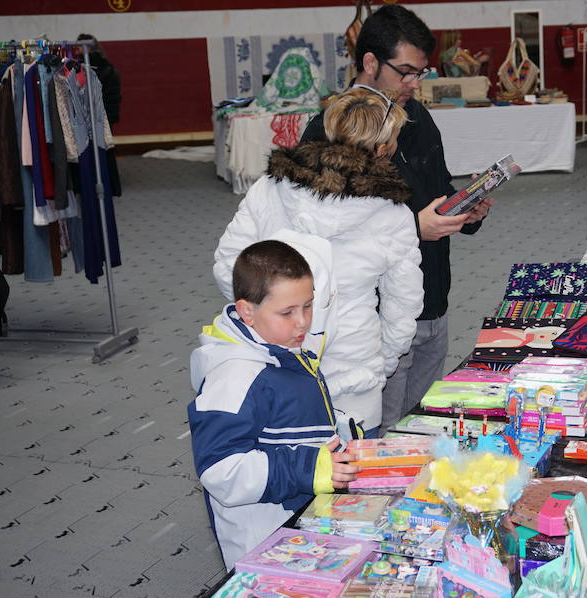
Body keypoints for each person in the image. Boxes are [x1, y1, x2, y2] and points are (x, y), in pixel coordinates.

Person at [300, 4, 492, 434]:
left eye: (420, 73)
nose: (413, 84)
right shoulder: (327, 132)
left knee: (420, 432)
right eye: (405, 71)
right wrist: (414, 228)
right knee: (379, 444)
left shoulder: (419, 118)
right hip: (376, 323)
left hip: (432, 304)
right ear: (370, 62)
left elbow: (437, 192)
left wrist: (467, 209)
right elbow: (326, 238)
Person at [214, 88, 424, 439]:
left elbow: (228, 269)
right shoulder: (393, 213)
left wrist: (269, 324)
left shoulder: (270, 188)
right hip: (354, 379)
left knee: (286, 476)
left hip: (274, 367)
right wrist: (377, 363)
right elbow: (403, 307)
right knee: (353, 487)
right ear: (384, 148)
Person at [189, 240, 359, 571]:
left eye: (308, 306)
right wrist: (308, 468)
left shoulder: (279, 344)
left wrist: (340, 432)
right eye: (288, 312)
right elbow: (220, 471)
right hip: (264, 539)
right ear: (247, 310)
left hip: (302, 519)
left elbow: (290, 420)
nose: (302, 323)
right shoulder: (235, 377)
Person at [76, 34, 122, 127]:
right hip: (105, 114)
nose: (76, 52)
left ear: (87, 48)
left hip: (98, 114)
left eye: (79, 47)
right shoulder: (105, 64)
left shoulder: (90, 66)